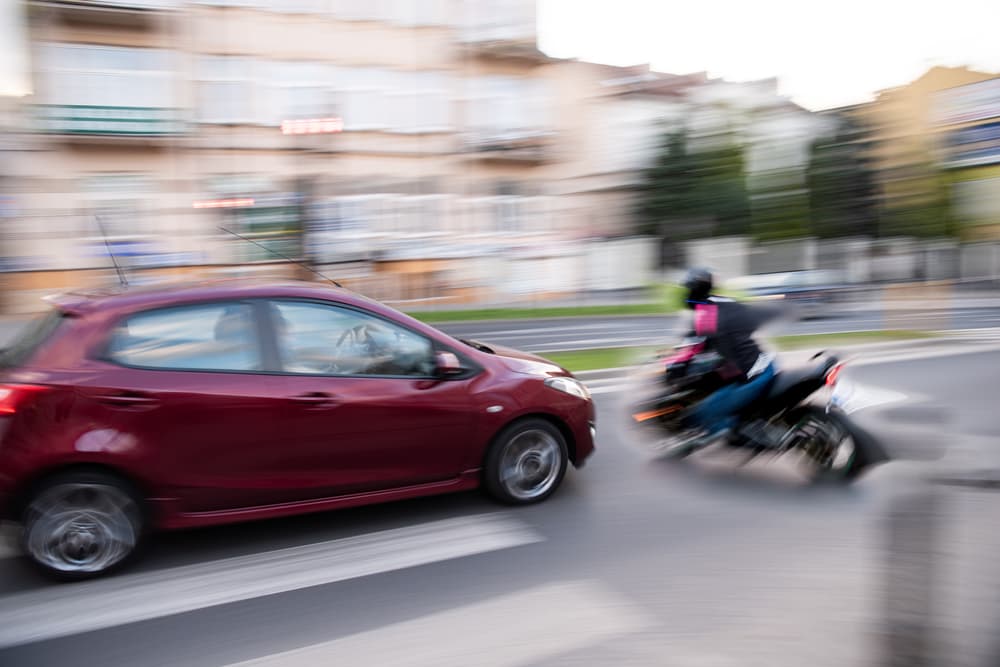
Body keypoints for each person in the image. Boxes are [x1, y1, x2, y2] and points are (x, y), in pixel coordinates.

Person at [677, 267, 780, 449]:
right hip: (766, 363)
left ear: (694, 288)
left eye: (688, 288)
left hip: (752, 377)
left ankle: (740, 436)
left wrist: (679, 367)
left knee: (704, 413)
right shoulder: (726, 302)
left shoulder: (706, 311)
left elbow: (697, 349)